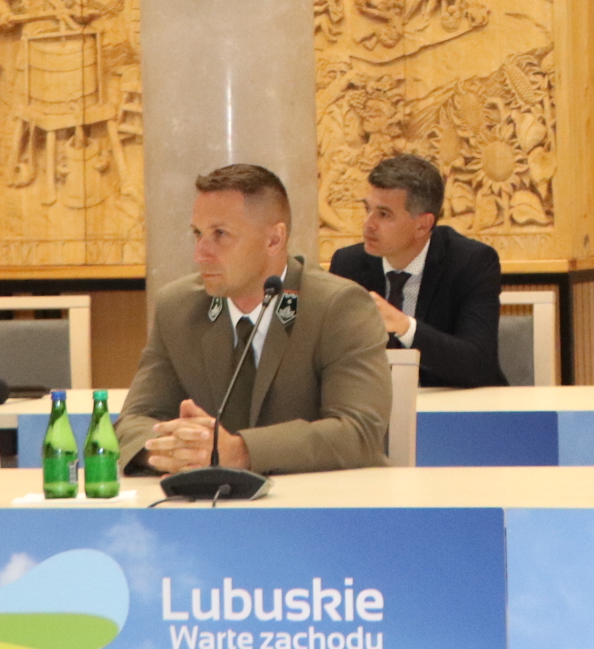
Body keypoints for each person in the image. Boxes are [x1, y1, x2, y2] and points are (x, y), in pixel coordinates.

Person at [117, 163, 390, 474]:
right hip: (206, 501)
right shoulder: (178, 308)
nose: (200, 254)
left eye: (220, 234)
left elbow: (359, 431)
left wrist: (242, 452)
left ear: (274, 239)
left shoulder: (337, 307)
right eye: (198, 234)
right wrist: (176, 449)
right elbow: (134, 421)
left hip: (318, 499)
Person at [328, 152, 507, 387]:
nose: (368, 224)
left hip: (455, 402)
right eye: (367, 209)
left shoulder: (470, 262)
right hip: (375, 405)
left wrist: (405, 327)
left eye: (383, 214)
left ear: (422, 225)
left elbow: (478, 363)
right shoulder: (348, 264)